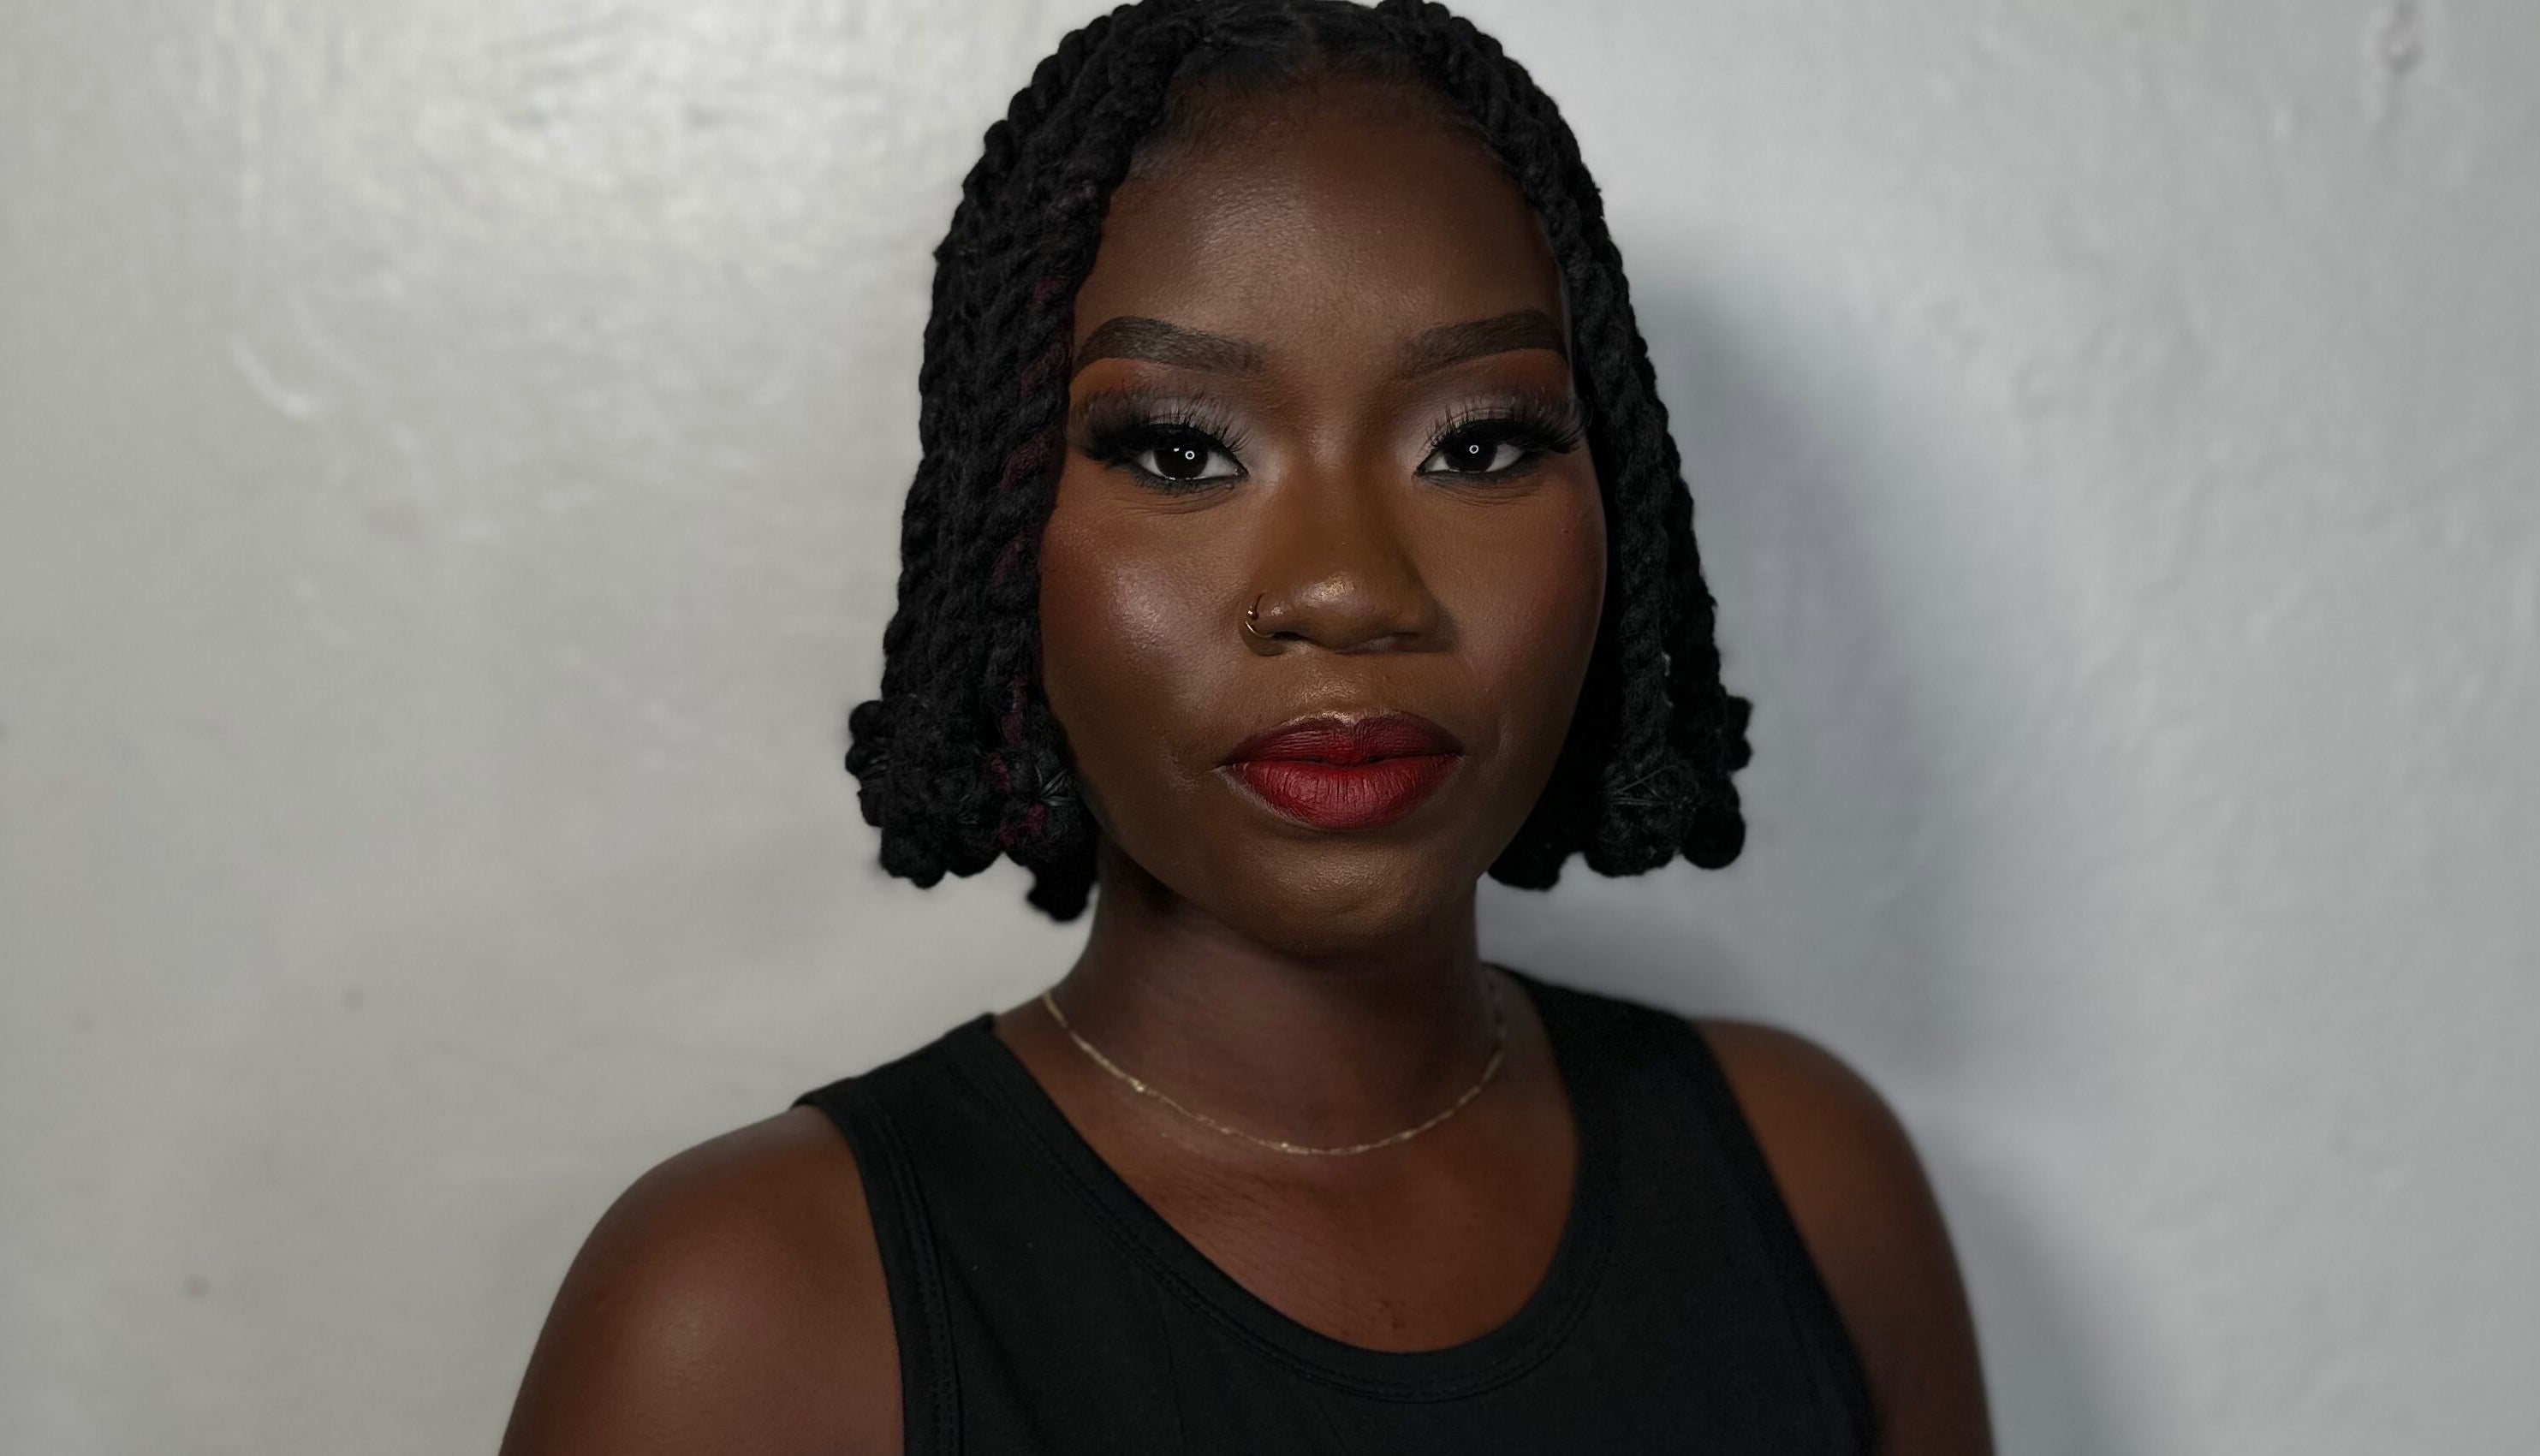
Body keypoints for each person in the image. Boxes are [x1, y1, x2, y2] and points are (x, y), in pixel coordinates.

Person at [500, 1, 1992, 1451]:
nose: (1348, 589)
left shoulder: (1815, 1192)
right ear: (998, 540)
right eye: (1179, 452)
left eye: (1478, 443)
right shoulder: (748, 1323)